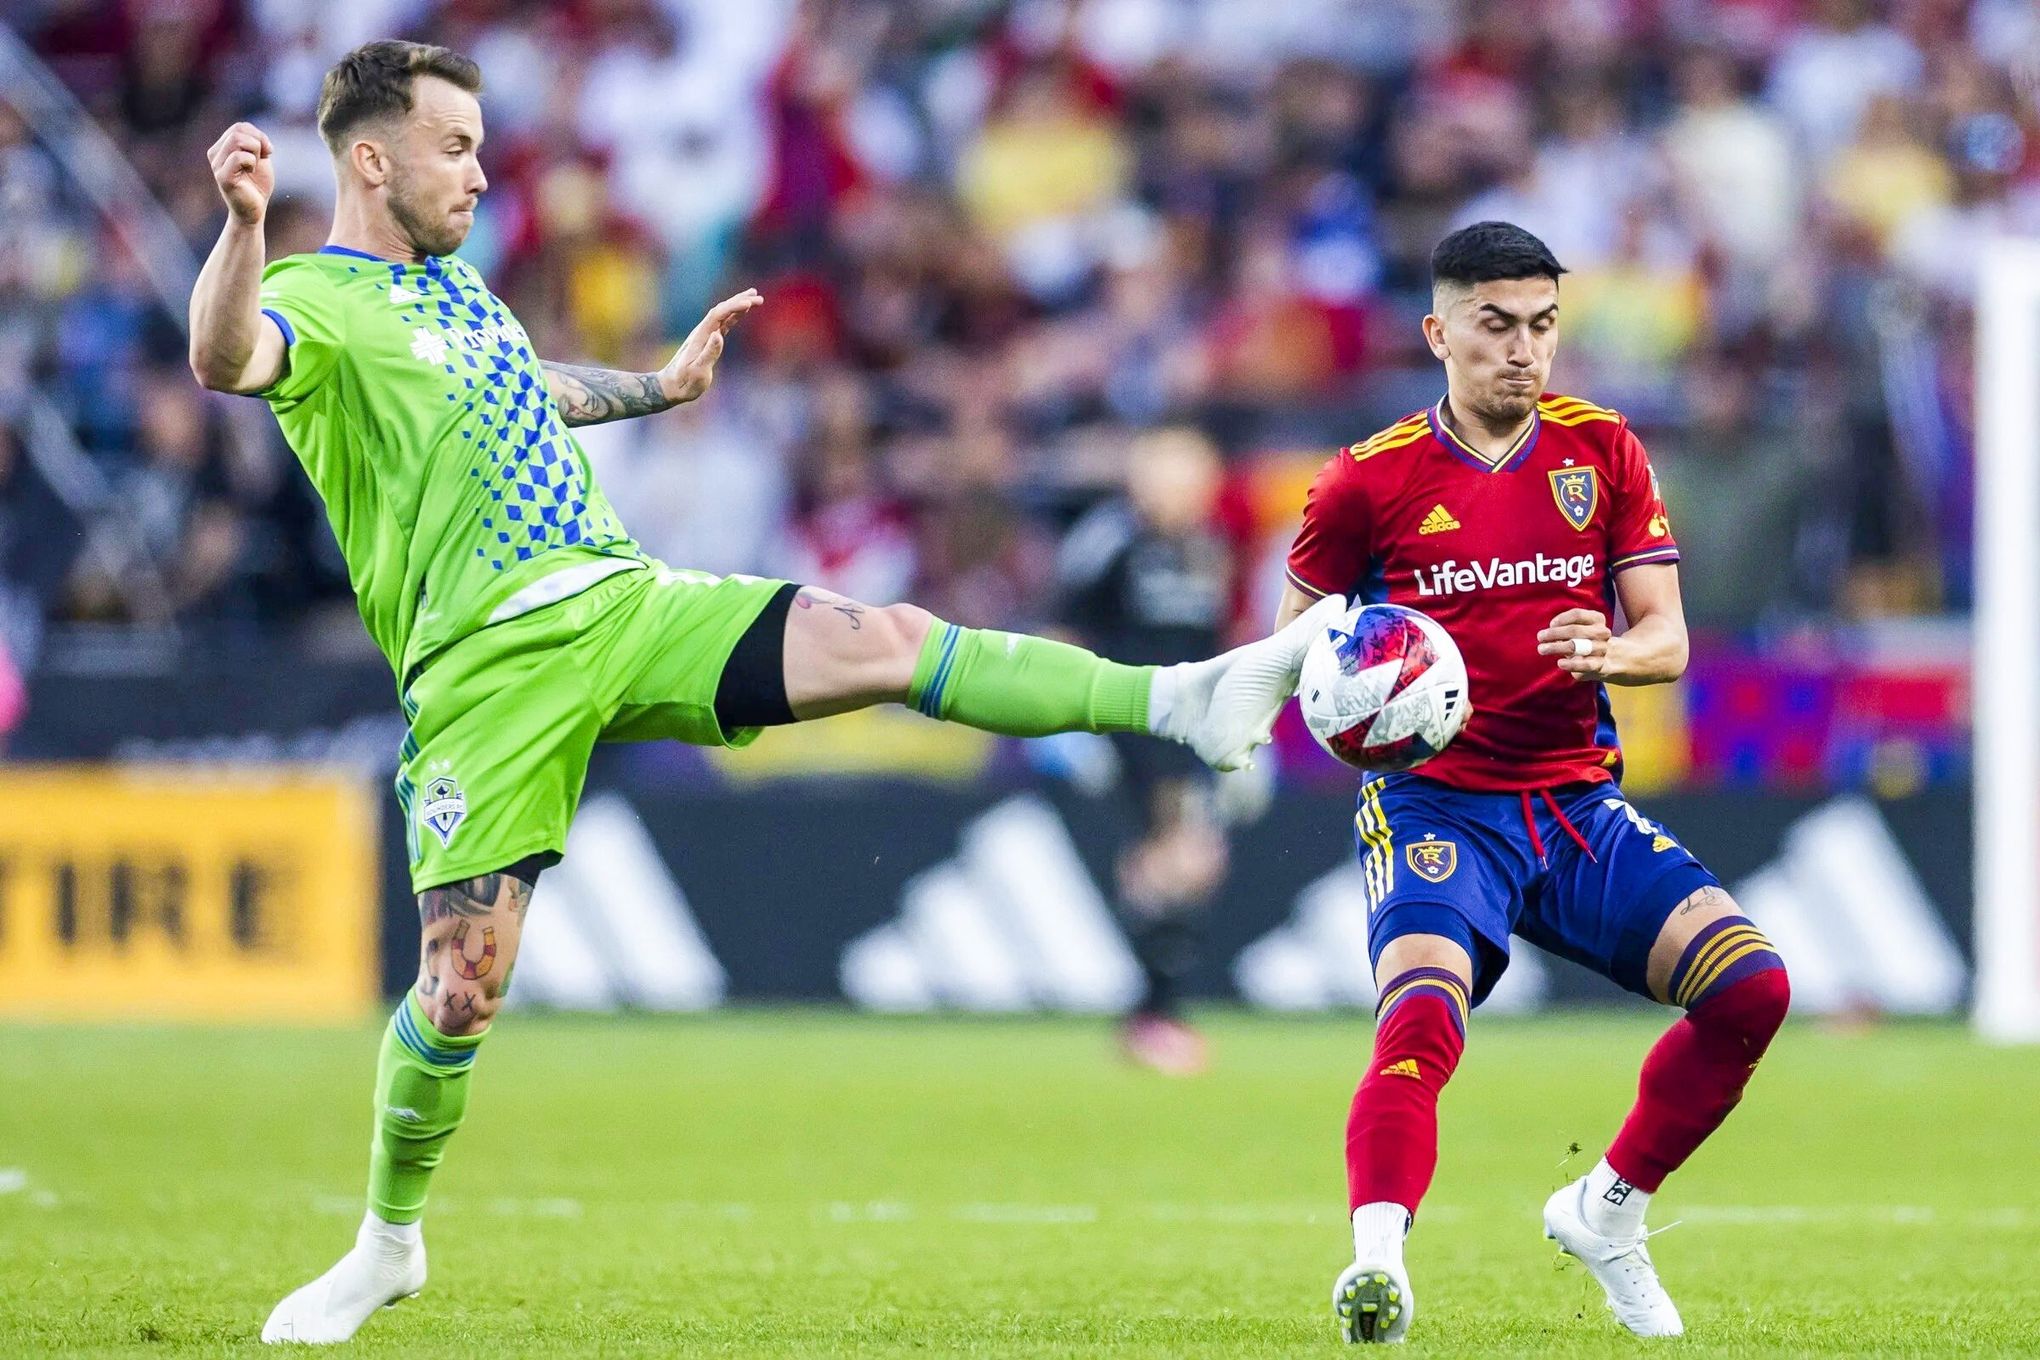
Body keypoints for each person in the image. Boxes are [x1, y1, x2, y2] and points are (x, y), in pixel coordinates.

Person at [186, 41, 1343, 1345]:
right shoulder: (314, 297)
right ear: (372, 159)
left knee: (890, 637)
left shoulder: (465, 297)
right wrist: (236, 228)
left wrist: (657, 391)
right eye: (455, 147)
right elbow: (229, 360)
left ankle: (1178, 701)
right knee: (462, 988)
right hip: (481, 675)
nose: (480, 170)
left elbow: (530, 391)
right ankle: (387, 1245)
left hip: (623, 605)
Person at [1273, 222, 1790, 1344]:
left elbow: (1668, 639)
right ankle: (1378, 1265)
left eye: (1543, 326)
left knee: (1752, 991)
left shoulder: (1602, 450)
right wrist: (1361, 702)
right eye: (1496, 325)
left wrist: (1607, 652)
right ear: (1438, 331)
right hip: (1435, 806)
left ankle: (1605, 1209)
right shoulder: (1365, 482)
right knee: (1419, 1020)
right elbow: (1295, 657)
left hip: (1572, 802)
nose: (1523, 351)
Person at [1056, 428, 1238, 1074]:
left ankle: (1153, 1015)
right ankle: (1155, 1018)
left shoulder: (1207, 547)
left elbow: (1218, 639)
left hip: (1193, 727)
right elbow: (1065, 628)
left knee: (1190, 865)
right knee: (1174, 863)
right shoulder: (1111, 541)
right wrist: (1074, 723)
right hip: (1132, 723)